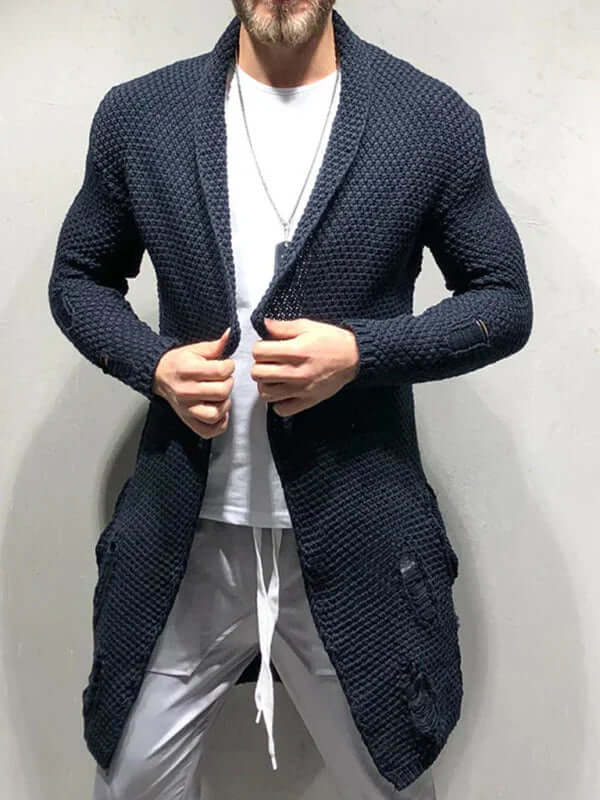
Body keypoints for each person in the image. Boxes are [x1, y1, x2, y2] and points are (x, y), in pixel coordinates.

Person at [48, 1, 533, 798]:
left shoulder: (428, 119)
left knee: (390, 783)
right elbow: (78, 277)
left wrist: (361, 352)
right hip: (184, 536)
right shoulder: (142, 116)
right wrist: (154, 364)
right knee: (129, 782)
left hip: (356, 529)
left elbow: (503, 300)